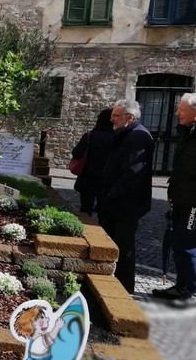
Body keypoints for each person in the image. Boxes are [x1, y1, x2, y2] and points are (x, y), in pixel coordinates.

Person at [98, 99, 154, 294]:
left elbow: (133, 173)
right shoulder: (127, 133)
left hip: (125, 204)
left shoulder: (137, 136)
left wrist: (113, 192)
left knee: (123, 246)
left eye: (116, 116)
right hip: (119, 202)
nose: (111, 119)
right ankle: (113, 283)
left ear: (130, 118)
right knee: (115, 242)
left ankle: (123, 288)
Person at [153, 92, 196, 308]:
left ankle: (187, 290)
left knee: (185, 244)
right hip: (181, 199)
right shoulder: (187, 133)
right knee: (178, 243)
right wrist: (172, 194)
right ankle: (182, 285)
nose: (176, 112)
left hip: (194, 203)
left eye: (181, 109)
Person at [71, 108, 114, 216]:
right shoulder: (117, 138)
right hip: (107, 179)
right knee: (104, 210)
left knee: (86, 208)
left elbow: (76, 153)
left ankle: (85, 228)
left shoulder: (90, 136)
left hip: (88, 177)